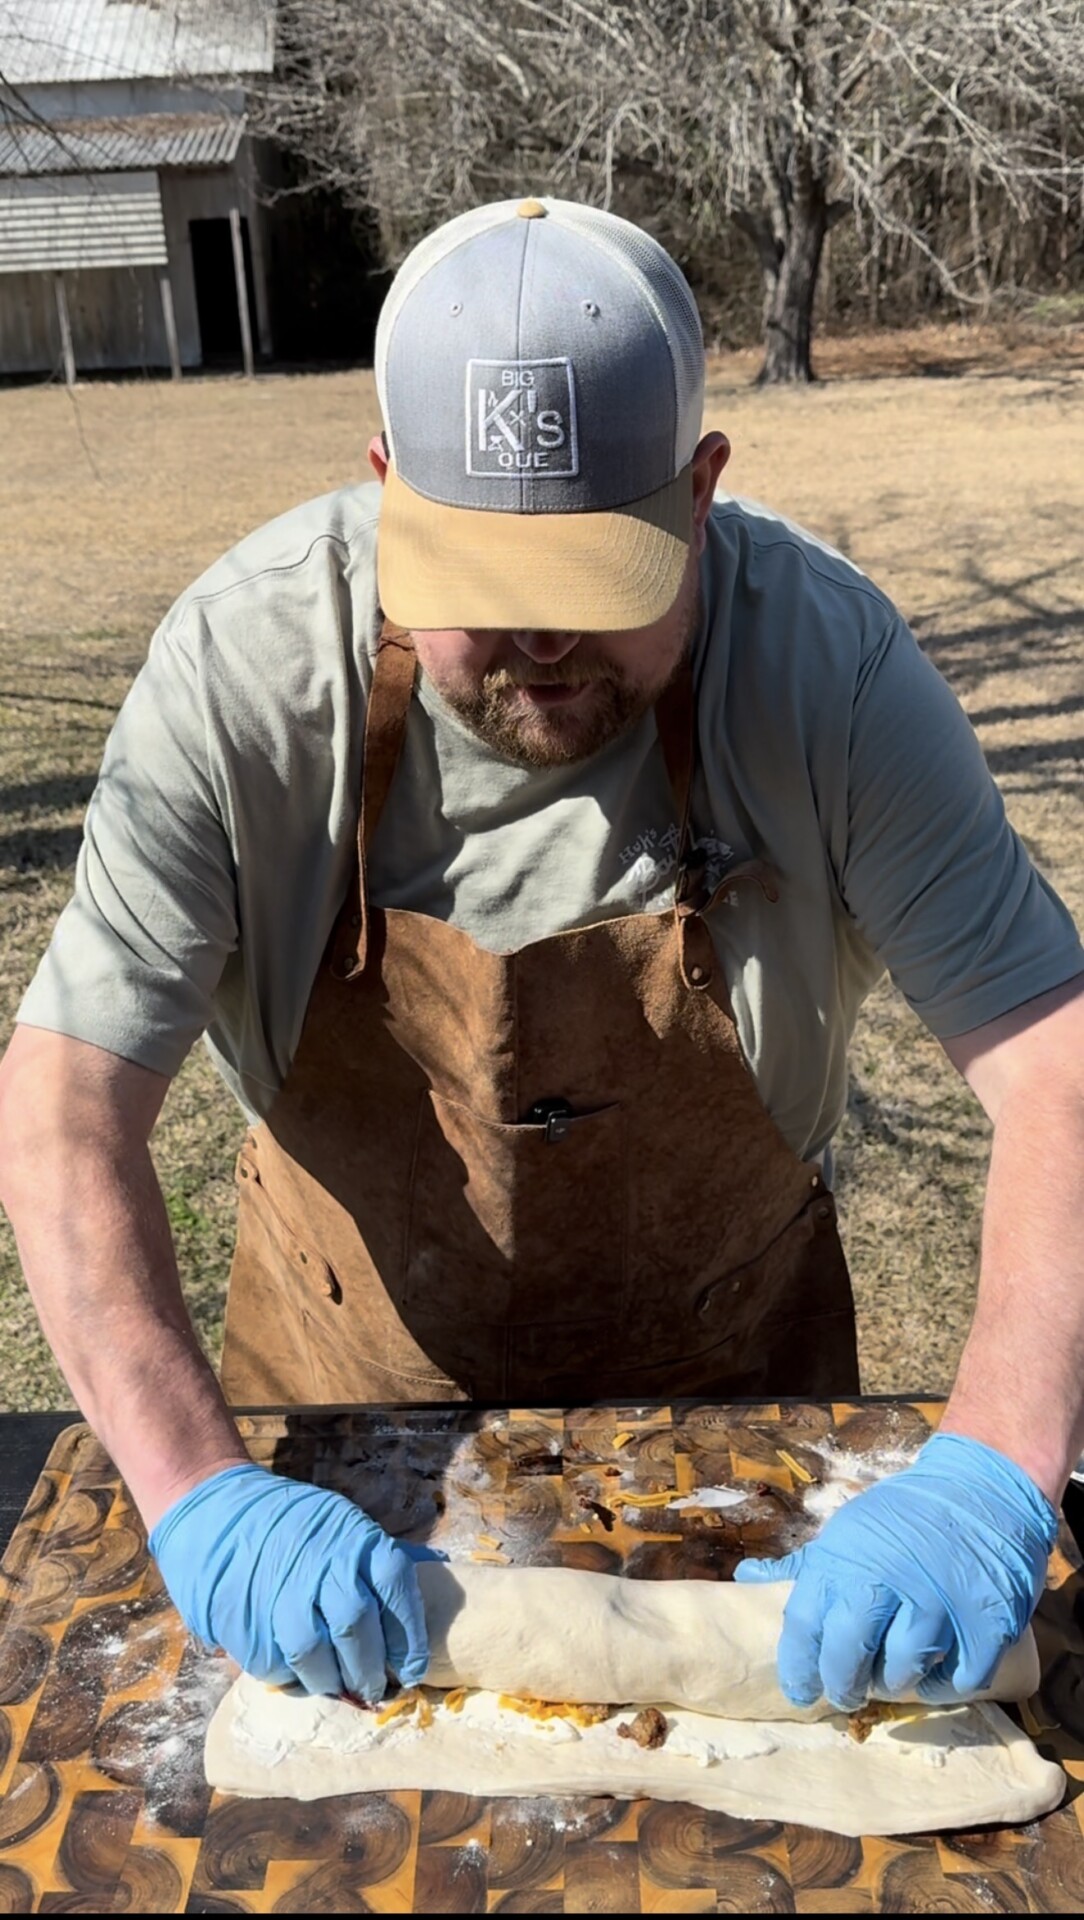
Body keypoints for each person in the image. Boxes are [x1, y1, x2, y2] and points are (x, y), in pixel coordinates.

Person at [0, 198, 1081, 1717]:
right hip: (339, 1400)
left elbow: (1059, 1065)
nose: (541, 644)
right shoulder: (248, 672)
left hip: (739, 1386)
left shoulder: (827, 675)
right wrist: (199, 1493)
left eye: (597, 584)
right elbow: (63, 1099)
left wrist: (992, 1469)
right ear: (386, 488)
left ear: (702, 493)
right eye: (481, 583)